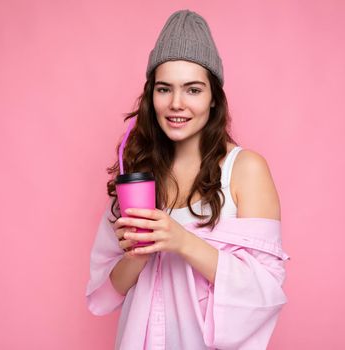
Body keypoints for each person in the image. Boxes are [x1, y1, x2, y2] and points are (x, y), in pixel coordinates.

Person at [86, 9, 290, 350]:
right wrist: (137, 256)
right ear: (152, 96)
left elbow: (266, 291)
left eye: (193, 90)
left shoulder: (245, 169)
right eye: (164, 89)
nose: (176, 104)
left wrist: (180, 240)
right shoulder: (137, 176)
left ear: (213, 99)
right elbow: (104, 296)